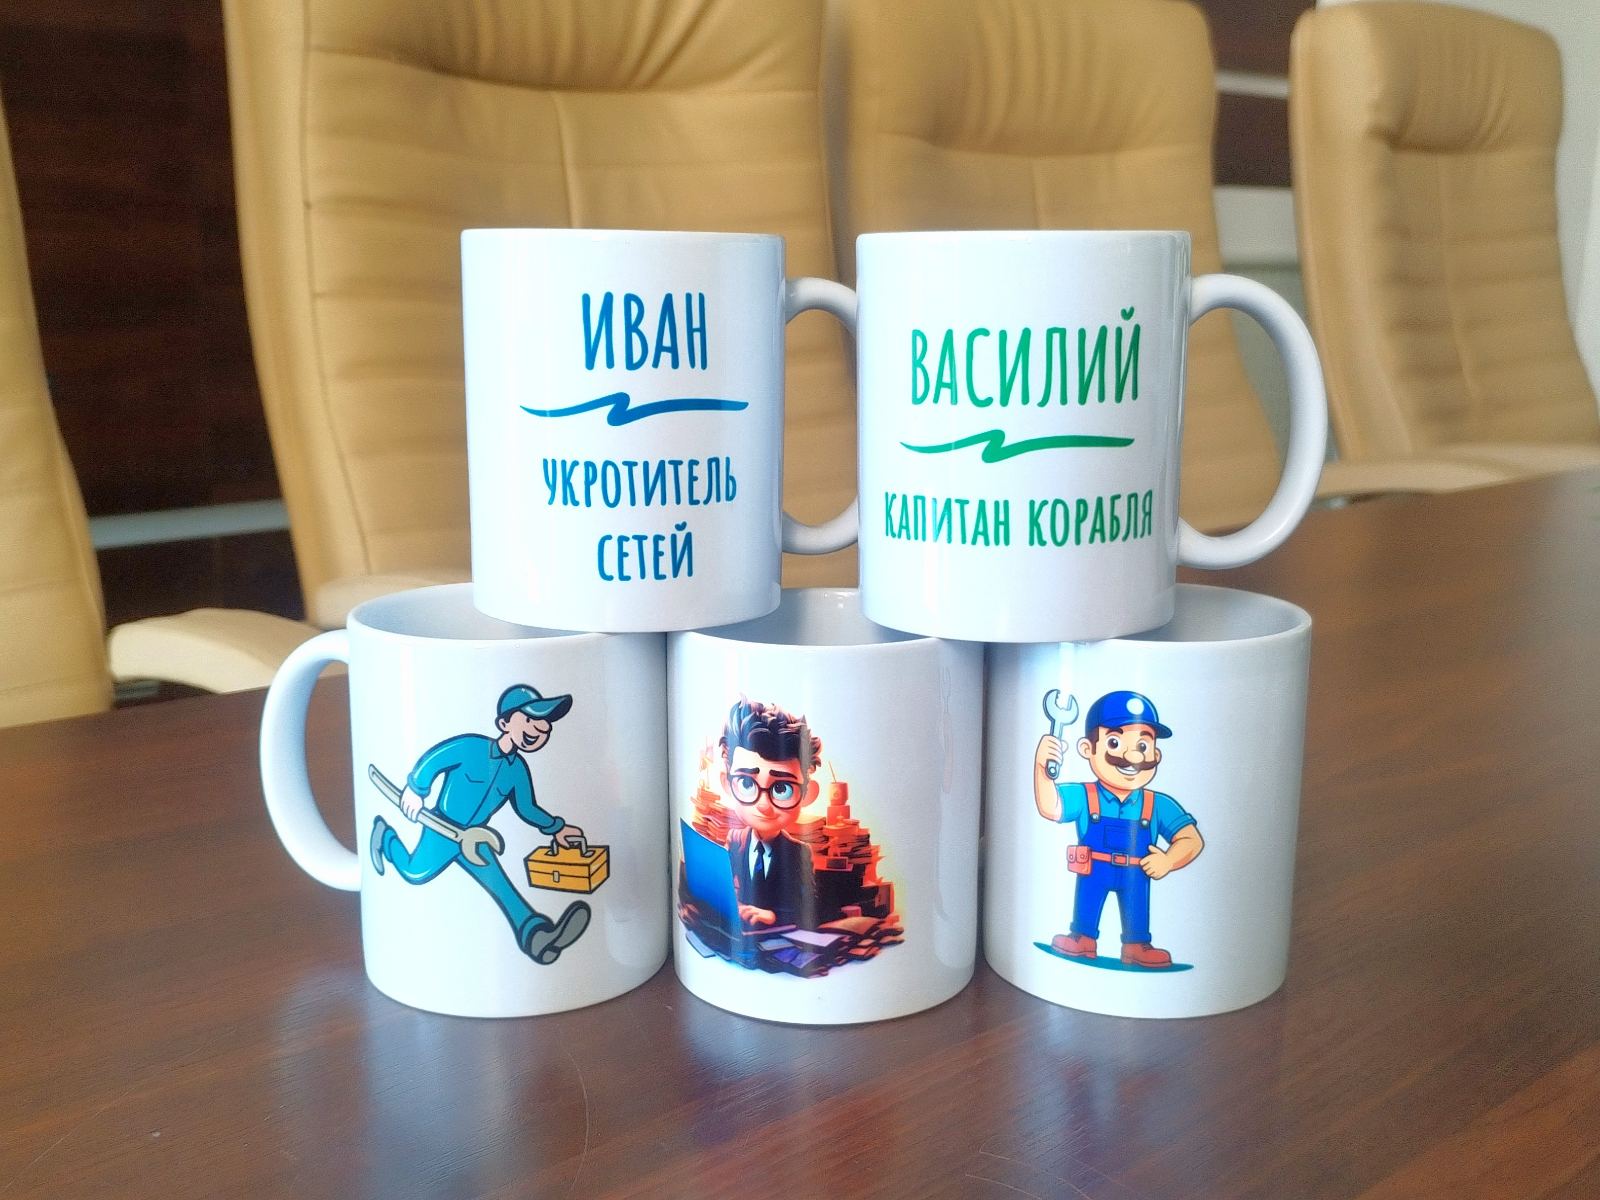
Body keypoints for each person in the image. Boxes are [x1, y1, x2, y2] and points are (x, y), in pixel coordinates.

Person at [370, 684, 590, 965]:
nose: (541, 728)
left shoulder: (517, 770)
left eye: (545, 724)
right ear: (504, 723)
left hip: (473, 837)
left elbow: (527, 809)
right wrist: (417, 789)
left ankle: (536, 936)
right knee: (415, 873)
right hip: (442, 829)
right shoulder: (472, 747)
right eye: (530, 719)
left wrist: (556, 828)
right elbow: (436, 760)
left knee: (503, 888)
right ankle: (385, 838)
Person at [1034, 690, 1203, 968]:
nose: (1132, 755)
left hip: (1136, 872)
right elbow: (1050, 806)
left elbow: (1191, 839)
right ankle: (1082, 938)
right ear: (1088, 749)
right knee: (1087, 902)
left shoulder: (1158, 804)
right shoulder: (1084, 795)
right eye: (1114, 742)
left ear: (1156, 754)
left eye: (1143, 745)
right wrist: (1042, 768)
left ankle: (1137, 946)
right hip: (1093, 870)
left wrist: (1168, 860)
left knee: (1137, 907)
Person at [718, 698, 821, 929]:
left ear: (807, 794)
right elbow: (722, 886)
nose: (764, 805)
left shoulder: (798, 852)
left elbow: (808, 907)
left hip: (780, 937)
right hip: (741, 934)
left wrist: (773, 916)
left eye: (781, 789)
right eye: (747, 784)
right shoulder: (735, 840)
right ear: (727, 784)